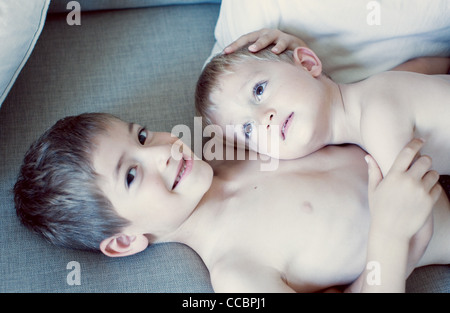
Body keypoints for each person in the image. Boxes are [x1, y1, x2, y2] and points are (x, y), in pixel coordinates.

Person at [14, 112, 448, 292]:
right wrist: (390, 237)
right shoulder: (237, 273)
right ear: (125, 241)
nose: (161, 149)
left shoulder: (225, 139)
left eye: (142, 135)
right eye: (131, 174)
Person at [195, 29, 450, 177]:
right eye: (248, 129)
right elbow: (430, 65)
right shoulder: (375, 93)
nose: (264, 118)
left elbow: (411, 206)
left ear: (308, 63)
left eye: (259, 90)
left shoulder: (376, 118)